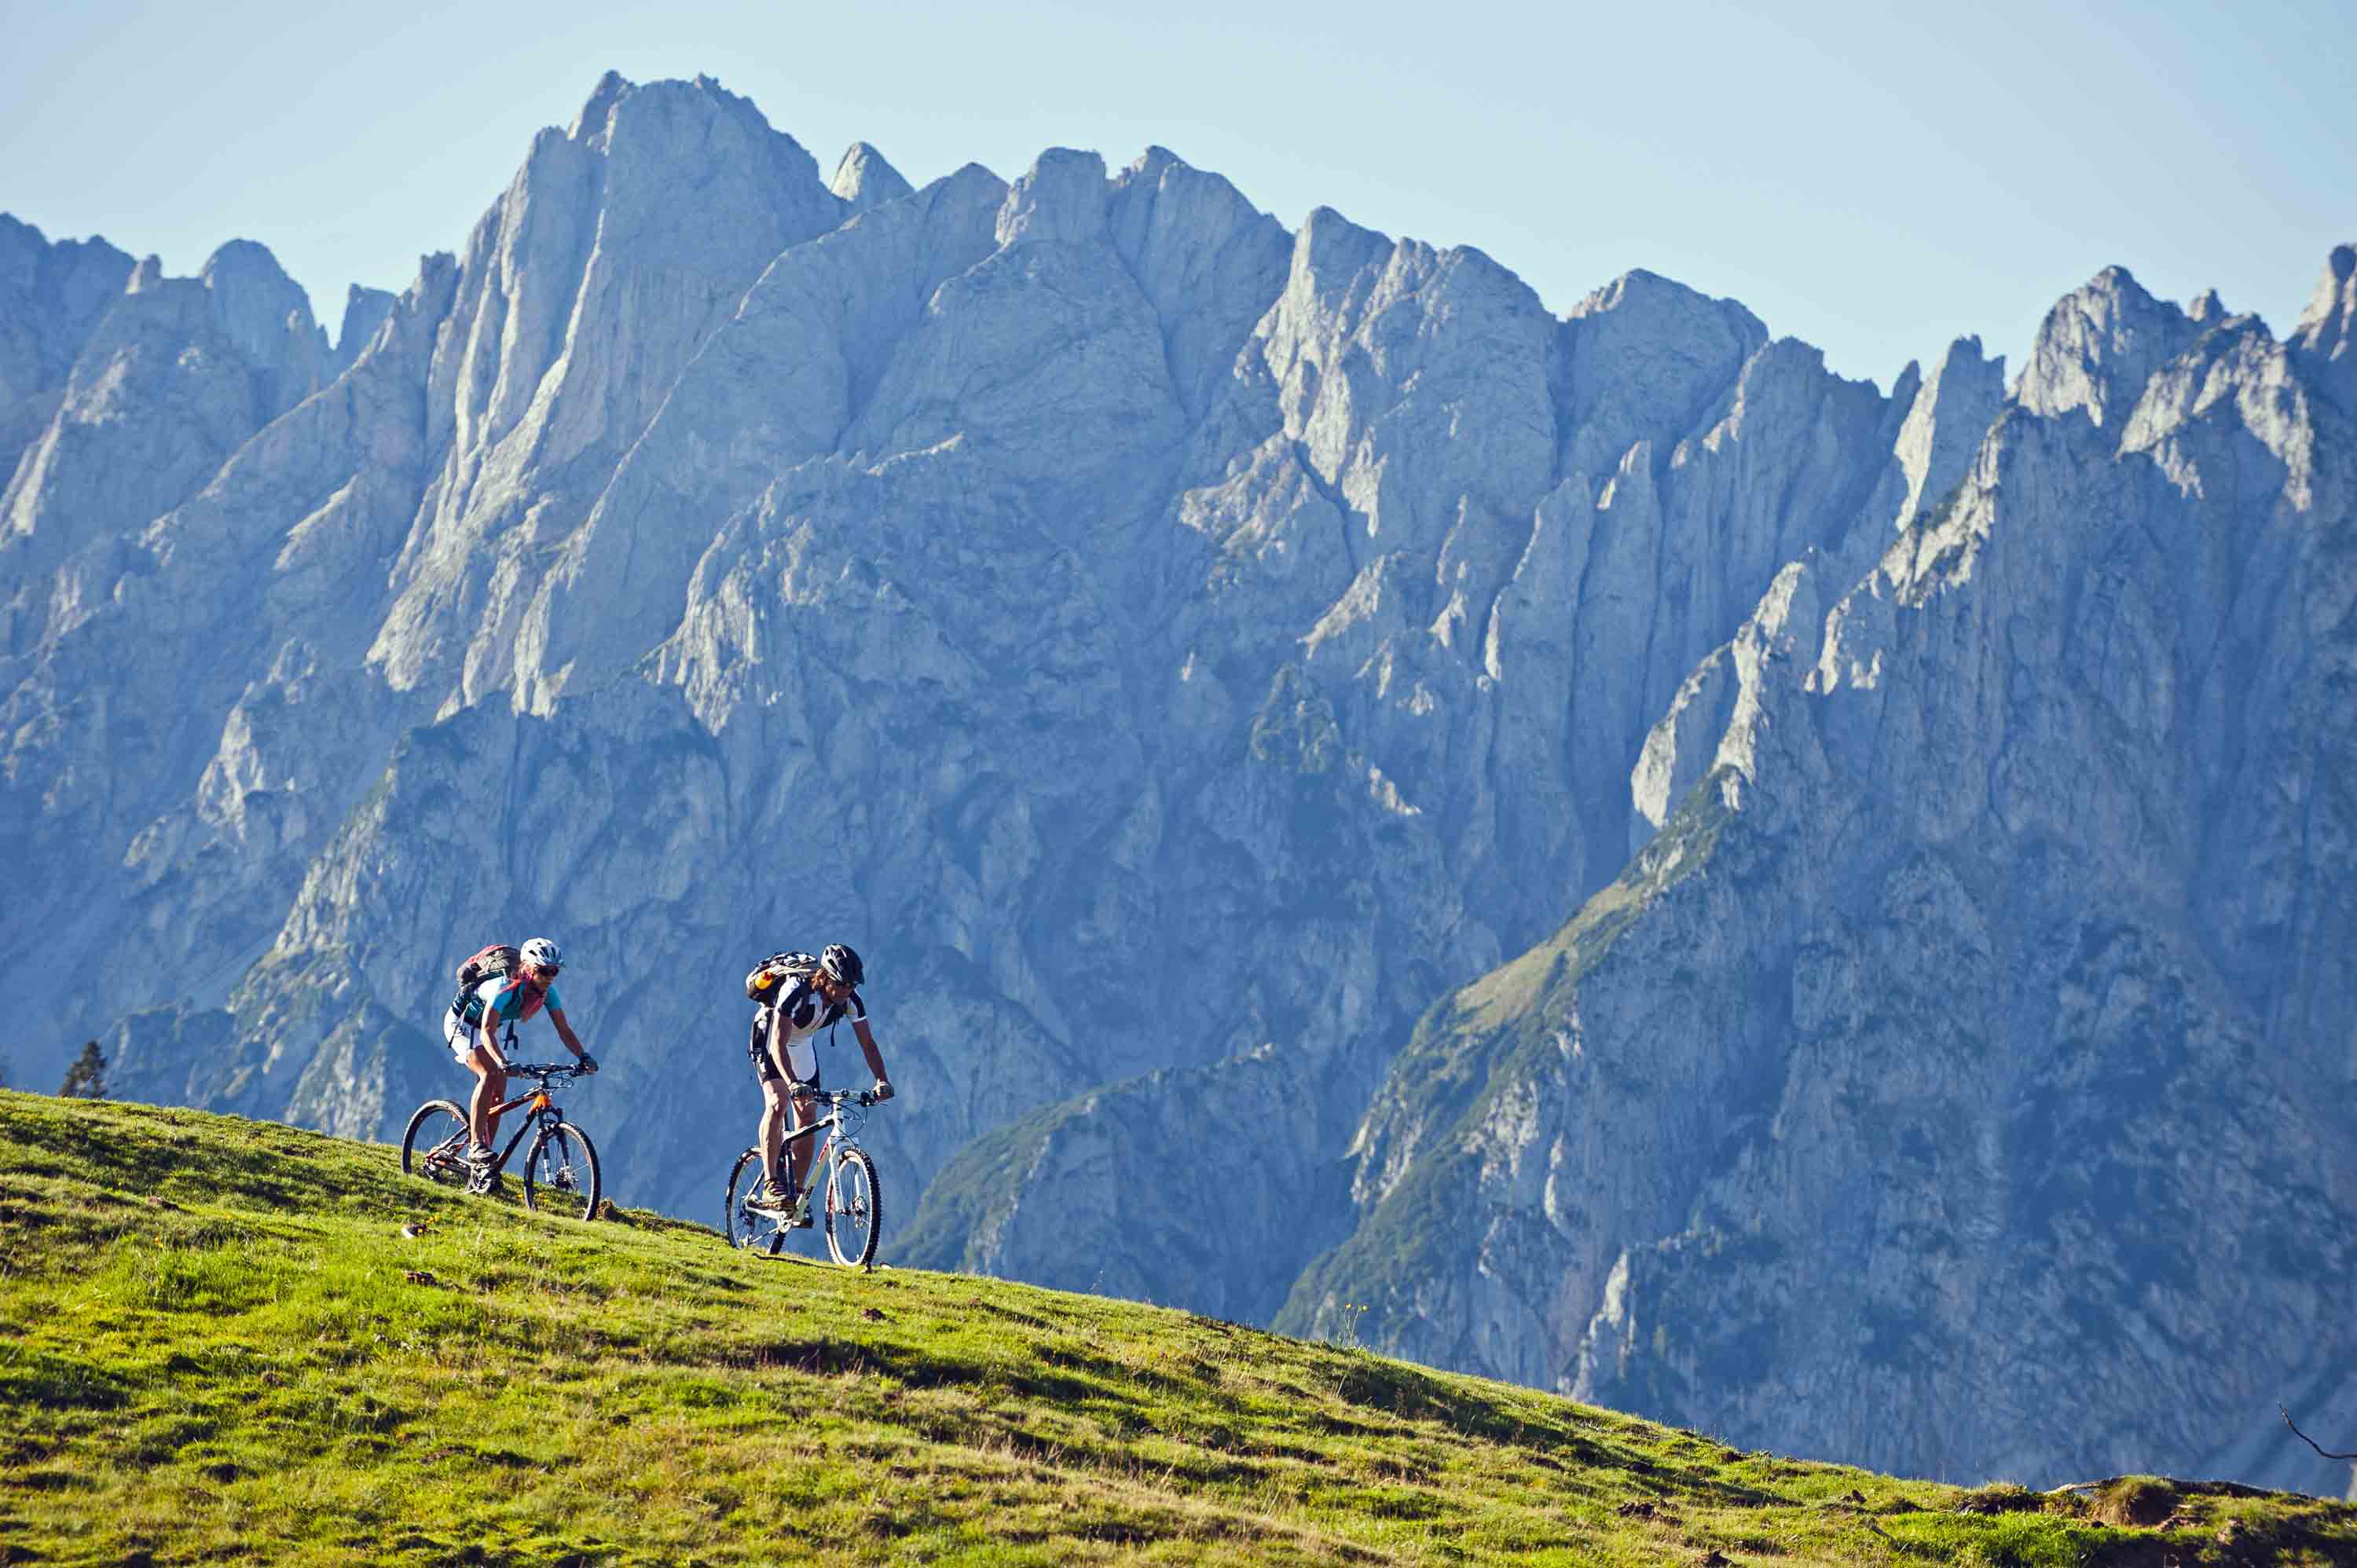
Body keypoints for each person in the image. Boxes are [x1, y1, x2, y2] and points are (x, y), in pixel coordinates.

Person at [749, 943, 893, 1221]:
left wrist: (882, 1080)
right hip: (771, 1040)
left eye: (851, 986)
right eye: (841, 985)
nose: (845, 991)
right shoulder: (797, 990)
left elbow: (868, 1043)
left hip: (801, 1045)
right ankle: (771, 1185)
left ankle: (796, 1198)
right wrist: (791, 1083)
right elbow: (778, 1042)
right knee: (778, 1103)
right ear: (825, 977)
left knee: (809, 1117)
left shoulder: (850, 1000)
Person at [443, 936, 597, 1174]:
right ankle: (476, 1145)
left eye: (554, 971)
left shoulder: (548, 993)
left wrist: (583, 1056)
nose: (549, 977)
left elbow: (564, 1030)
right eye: (544, 971)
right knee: (489, 1074)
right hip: (464, 1024)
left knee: (499, 1097)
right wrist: (503, 1062)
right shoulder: (504, 987)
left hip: (495, 1030)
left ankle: (485, 1164)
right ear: (527, 968)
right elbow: (485, 1031)